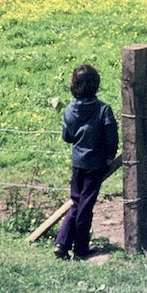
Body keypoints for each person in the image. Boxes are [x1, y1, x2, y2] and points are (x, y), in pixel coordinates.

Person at [53, 63, 119, 260]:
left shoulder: (69, 109)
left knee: (76, 202)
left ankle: (61, 242)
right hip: (96, 163)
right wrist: (109, 155)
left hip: (77, 163)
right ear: (95, 84)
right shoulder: (103, 109)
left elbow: (67, 136)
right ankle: (81, 249)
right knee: (85, 206)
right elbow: (111, 136)